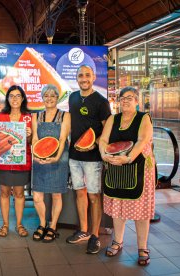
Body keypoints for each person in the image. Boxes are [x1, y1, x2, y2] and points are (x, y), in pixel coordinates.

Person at [99, 86, 155, 265]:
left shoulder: (143, 118)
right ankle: (117, 241)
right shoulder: (113, 119)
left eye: (129, 97)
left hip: (138, 169)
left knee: (141, 211)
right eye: (122, 97)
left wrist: (128, 158)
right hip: (116, 168)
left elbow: (142, 140)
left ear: (137, 101)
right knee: (118, 208)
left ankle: (142, 247)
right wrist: (103, 154)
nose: (125, 100)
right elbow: (103, 140)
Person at [66, 65, 111, 254]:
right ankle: (83, 230)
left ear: (93, 77)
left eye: (87, 75)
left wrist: (96, 142)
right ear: (76, 78)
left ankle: (95, 236)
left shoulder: (101, 101)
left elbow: (107, 127)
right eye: (80, 75)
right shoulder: (73, 97)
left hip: (93, 157)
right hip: (74, 156)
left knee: (94, 196)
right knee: (80, 193)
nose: (83, 78)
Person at [0, 85, 32, 238]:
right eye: (11, 96)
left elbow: (31, 141)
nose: (15, 98)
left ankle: (19, 224)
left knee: (20, 193)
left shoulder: (29, 117)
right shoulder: (0, 117)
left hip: (21, 161)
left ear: (22, 99)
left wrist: (29, 135)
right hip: (3, 161)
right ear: (7, 99)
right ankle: (5, 224)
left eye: (18, 96)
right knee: (4, 192)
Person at [31, 84, 70, 242]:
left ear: (57, 98)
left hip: (59, 159)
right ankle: (42, 223)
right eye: (46, 95)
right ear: (42, 98)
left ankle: (52, 226)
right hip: (39, 159)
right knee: (37, 196)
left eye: (52, 96)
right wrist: (36, 154)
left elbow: (62, 139)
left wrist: (56, 157)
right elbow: (34, 138)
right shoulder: (36, 116)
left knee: (56, 195)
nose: (49, 98)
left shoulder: (65, 116)